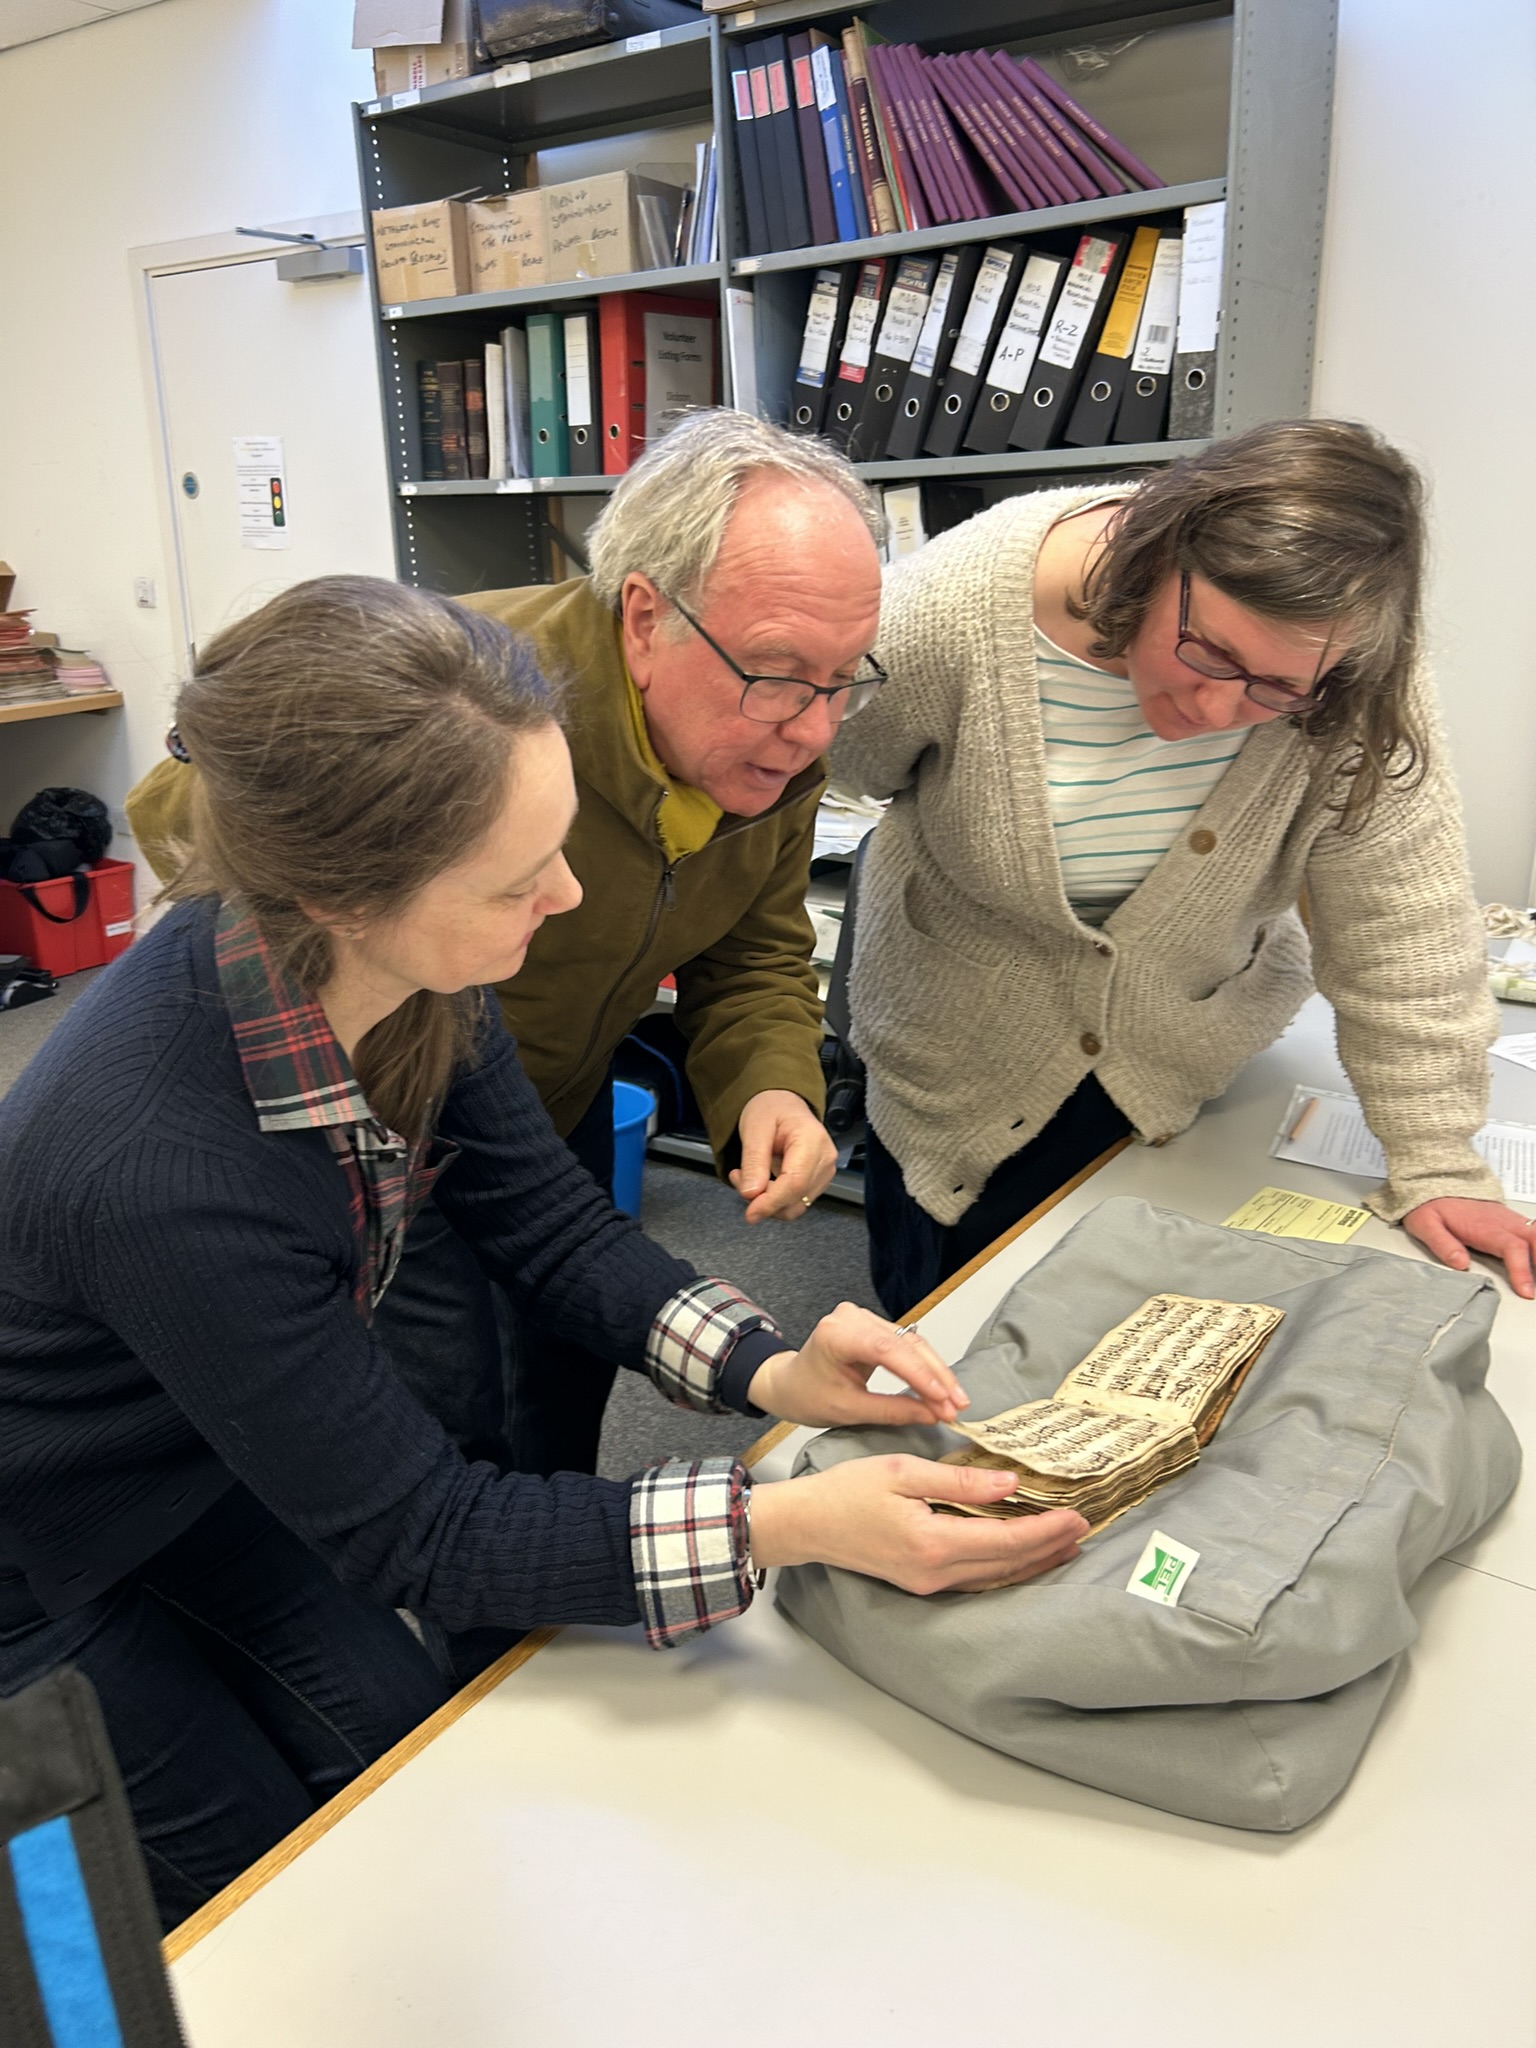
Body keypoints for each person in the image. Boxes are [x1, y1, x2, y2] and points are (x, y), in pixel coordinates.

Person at [0, 577, 1084, 1932]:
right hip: (28, 1562)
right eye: (521, 878)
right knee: (250, 1900)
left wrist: (772, 1365)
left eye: (560, 844)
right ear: (343, 891)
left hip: (189, 1466)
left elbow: (550, 1224)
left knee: (397, 1774)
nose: (568, 896)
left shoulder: (407, 976)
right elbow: (428, 1534)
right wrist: (785, 1524)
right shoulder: (159, 1169)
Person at [125, 410, 886, 1482]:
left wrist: (772, 1086)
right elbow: (177, 805)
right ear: (643, 618)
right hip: (386, 1112)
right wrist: (364, 988)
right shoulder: (468, 699)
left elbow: (755, 940)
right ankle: (480, 1633)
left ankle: (543, 1590)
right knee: (445, 1406)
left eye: (845, 675)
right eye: (778, 672)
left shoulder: (772, 734)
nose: (814, 726)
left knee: (576, 1351)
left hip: (545, 1101)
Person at [834, 419, 1536, 1316]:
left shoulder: (1349, 678)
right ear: (1152, 555)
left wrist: (1439, 1160)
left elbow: (1404, 931)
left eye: (1276, 689)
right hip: (954, 1056)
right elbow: (849, 766)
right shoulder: (947, 612)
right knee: (938, 1328)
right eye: (1209, 650)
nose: (1215, 706)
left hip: (1178, 1056)